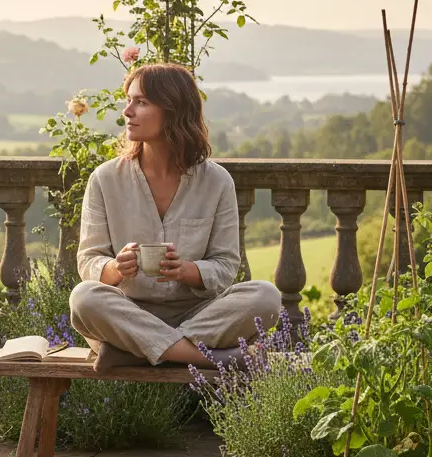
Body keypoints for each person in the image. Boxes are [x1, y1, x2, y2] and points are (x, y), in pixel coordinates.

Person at [69, 62, 281, 373]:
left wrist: (188, 271)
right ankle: (205, 358)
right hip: (128, 311)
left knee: (266, 297)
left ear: (173, 109)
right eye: (128, 100)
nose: (127, 111)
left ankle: (133, 351)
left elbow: (225, 265)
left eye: (141, 102)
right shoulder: (105, 179)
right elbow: (88, 261)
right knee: (84, 299)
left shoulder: (217, 182)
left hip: (198, 314)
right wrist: (115, 267)